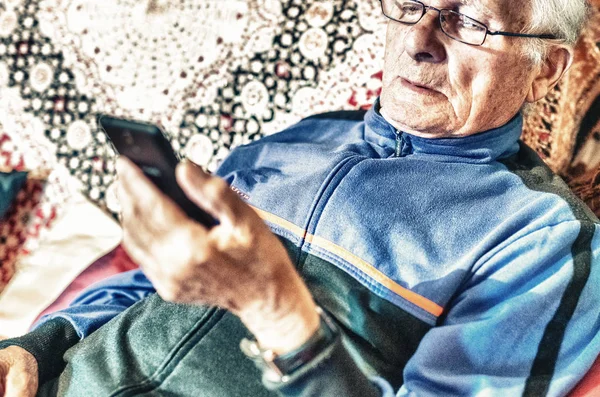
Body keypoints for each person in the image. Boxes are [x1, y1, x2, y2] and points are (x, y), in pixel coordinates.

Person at [1, 0, 599, 395]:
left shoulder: (543, 236)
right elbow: (147, 284)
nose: (419, 40)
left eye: (468, 20)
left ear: (546, 65)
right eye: (411, 4)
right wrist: (37, 345)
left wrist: (277, 310)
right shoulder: (305, 137)